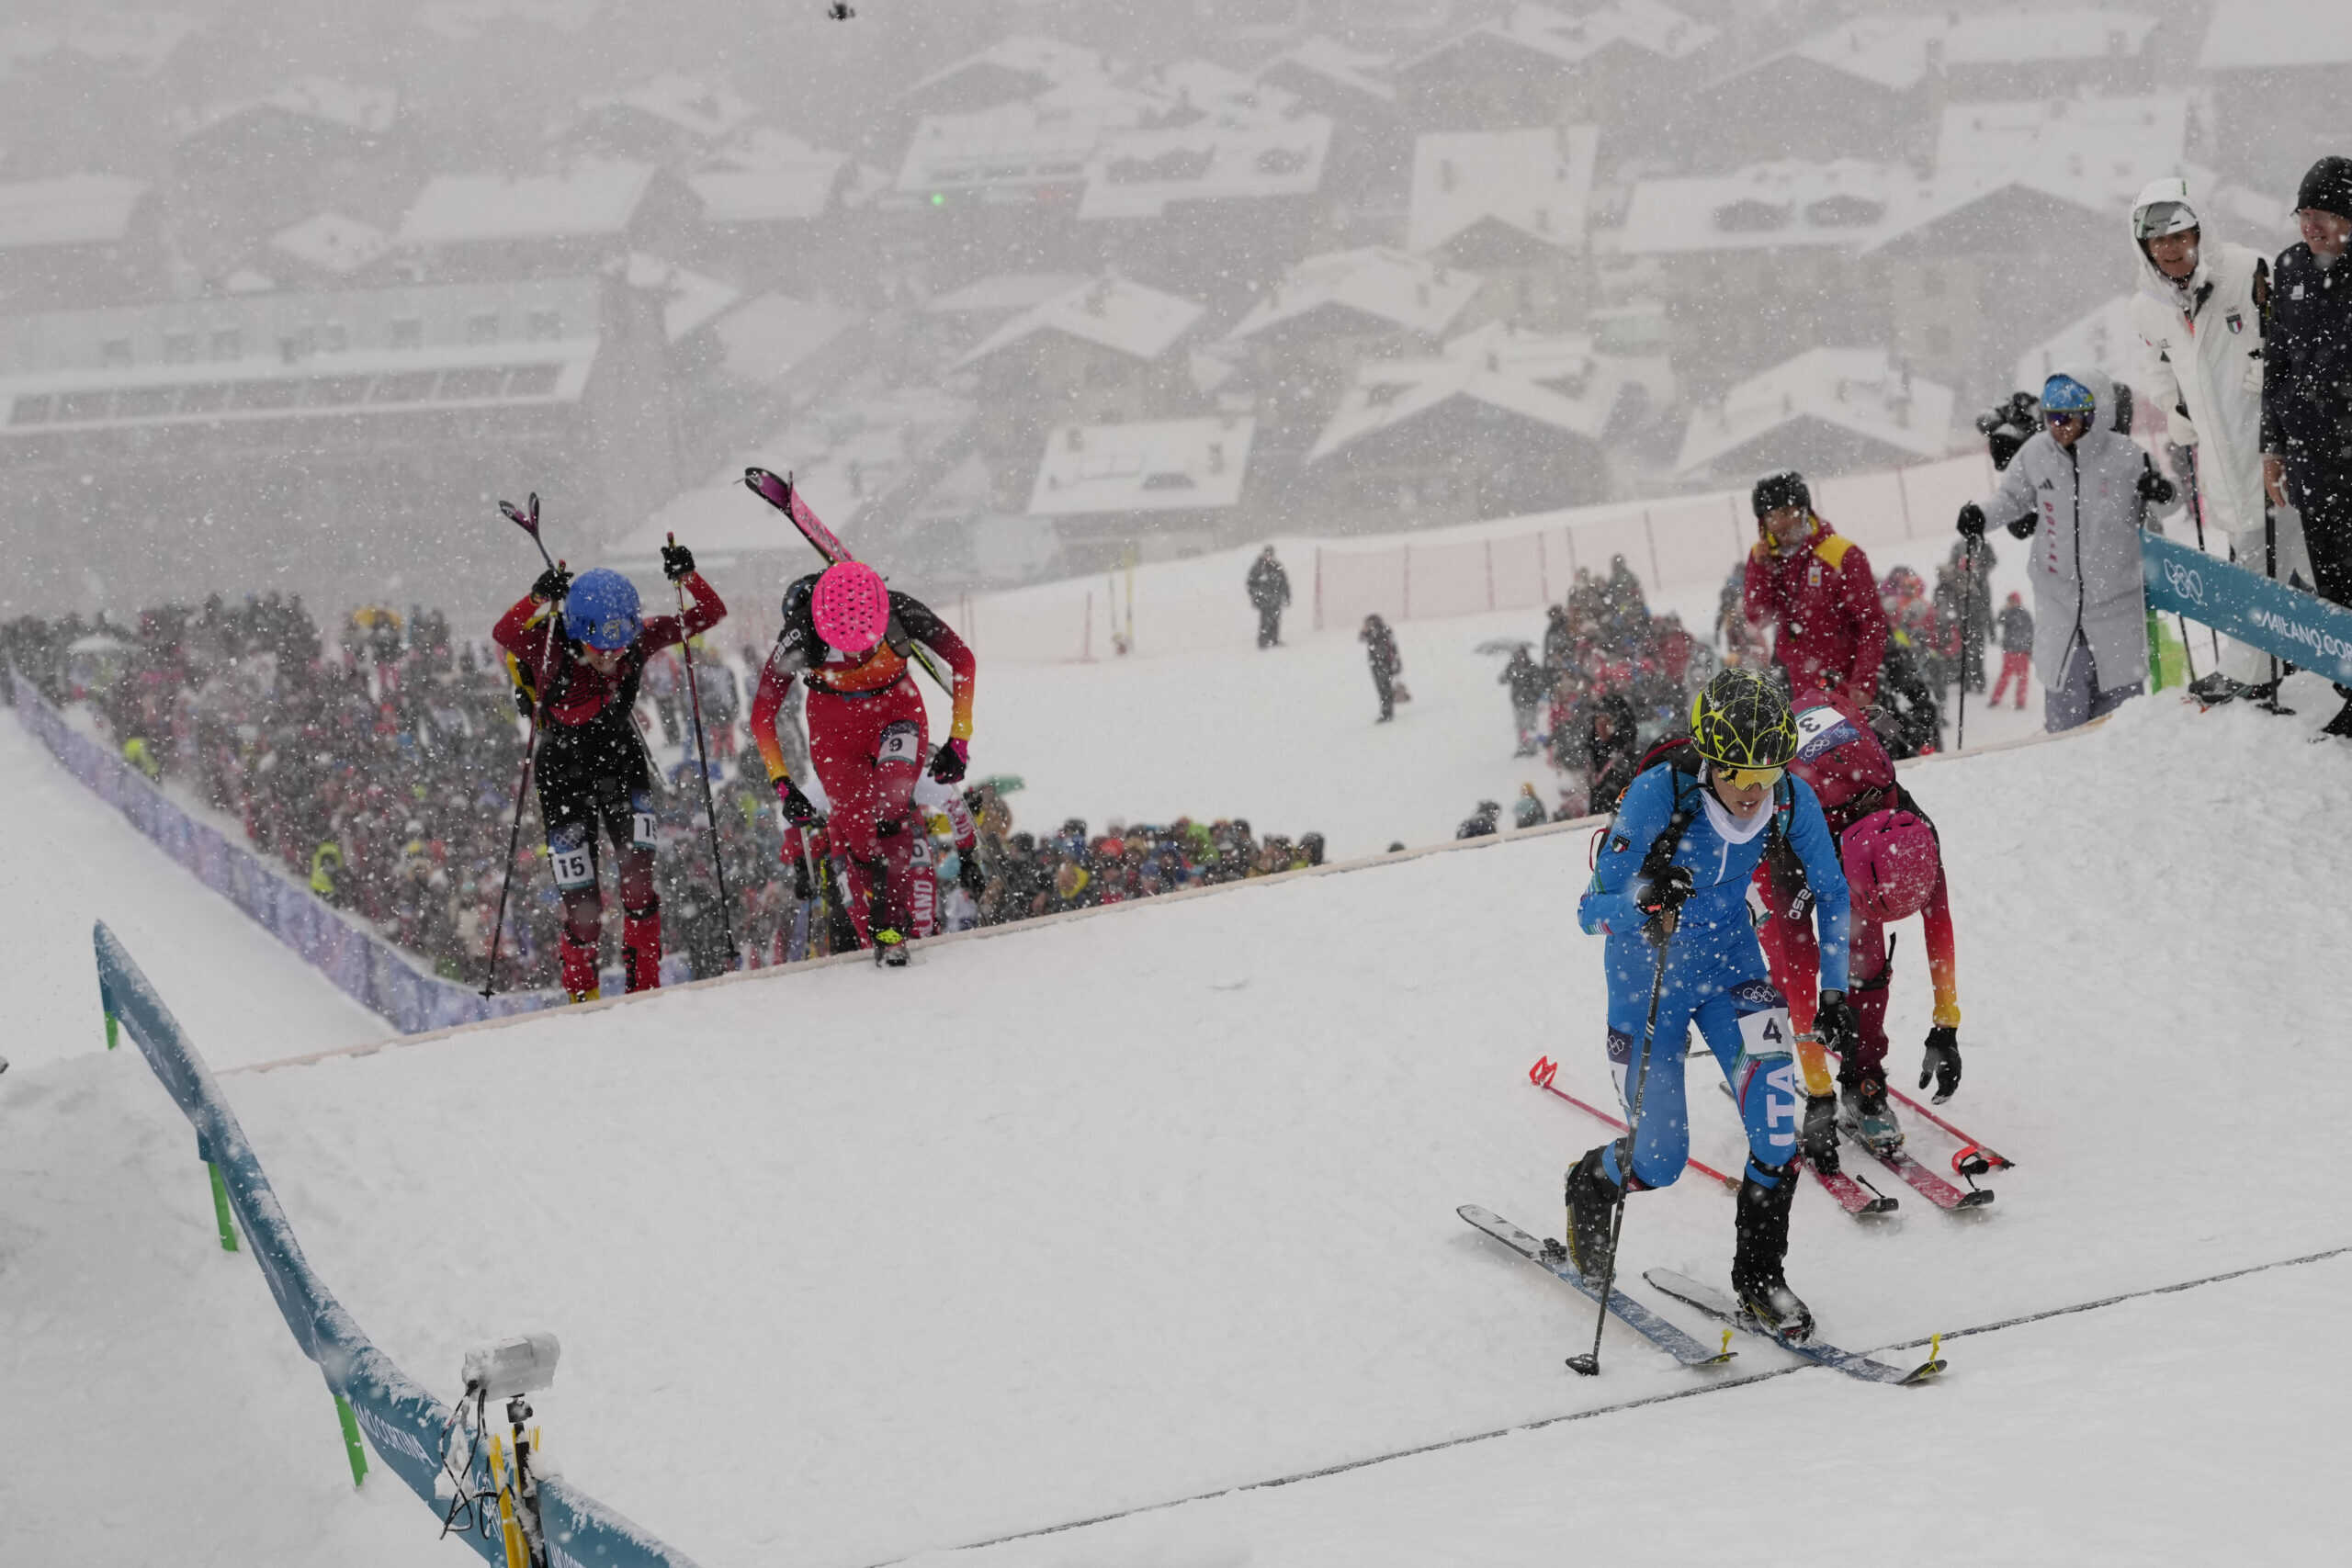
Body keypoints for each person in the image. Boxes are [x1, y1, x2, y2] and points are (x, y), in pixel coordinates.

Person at [1566, 668, 1853, 1338]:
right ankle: (1593, 1180)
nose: (1756, 793)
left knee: (1779, 1122)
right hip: (1650, 978)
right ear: (1710, 760)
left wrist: (1835, 987)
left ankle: (1759, 1278)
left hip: (1730, 965)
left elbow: (1833, 891)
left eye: (1768, 773)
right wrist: (1643, 898)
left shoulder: (1787, 797)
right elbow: (1589, 912)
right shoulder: (1655, 797)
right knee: (1661, 1160)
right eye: (1740, 776)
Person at [492, 544, 726, 1002]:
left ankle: (645, 991)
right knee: (584, 908)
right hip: (562, 773)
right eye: (602, 649)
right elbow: (505, 631)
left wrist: (688, 577)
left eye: (622, 646)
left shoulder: (636, 639)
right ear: (578, 633)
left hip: (620, 759)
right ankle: (585, 999)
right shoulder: (549, 646)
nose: (614, 658)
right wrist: (538, 596)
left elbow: (710, 613)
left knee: (639, 882)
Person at [1752, 691, 1962, 1164]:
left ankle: (1864, 1078)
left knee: (1866, 966)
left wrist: (1946, 1025)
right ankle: (1772, 1050)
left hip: (1851, 801)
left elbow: (1939, 927)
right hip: (1780, 830)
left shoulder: (1914, 838)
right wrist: (1818, 1093)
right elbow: (1805, 970)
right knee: (1788, 971)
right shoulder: (1797, 840)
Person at [747, 560, 977, 966]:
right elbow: (763, 713)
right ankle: (884, 923)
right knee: (860, 839)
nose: (855, 652)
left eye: (864, 642)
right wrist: (783, 785)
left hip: (897, 711)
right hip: (834, 731)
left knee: (892, 803)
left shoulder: (899, 609)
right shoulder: (802, 631)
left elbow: (963, 660)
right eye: (844, 644)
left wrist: (959, 740)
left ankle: (895, 926)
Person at [2129, 176, 2302, 707]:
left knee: (2290, 562)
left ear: (2201, 233)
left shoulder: (2247, 271)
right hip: (2221, 459)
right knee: (2261, 563)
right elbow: (2156, 364)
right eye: (2159, 242)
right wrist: (2176, 409)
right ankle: (2273, 666)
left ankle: (2258, 668)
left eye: (2180, 237)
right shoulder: (2148, 307)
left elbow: (2290, 339)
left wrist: (2266, 373)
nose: (2171, 250)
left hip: (2275, 448)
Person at [1960, 368, 2177, 732]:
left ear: (2095, 415)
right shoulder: (2035, 454)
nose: (2057, 426)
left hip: (2116, 607)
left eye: (2067, 418)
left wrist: (2162, 492)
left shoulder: (2127, 457)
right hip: (2060, 609)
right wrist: (1980, 517)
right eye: (2050, 417)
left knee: (2123, 722)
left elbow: (2165, 509)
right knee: (2065, 721)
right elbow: (2011, 500)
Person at [2261, 156, 2352, 738]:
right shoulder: (2291, 268)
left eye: (2321, 215)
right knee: (2335, 583)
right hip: (2312, 459)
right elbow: (2276, 365)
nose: (2309, 228)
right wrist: (2272, 448)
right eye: (2303, 214)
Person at [1741, 470, 1890, 711]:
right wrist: (1761, 569)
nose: (1781, 523)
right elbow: (1757, 617)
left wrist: (1862, 684)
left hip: (1843, 687)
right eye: (1771, 516)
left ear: (1804, 510)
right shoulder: (1764, 557)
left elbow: (1871, 623)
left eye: (1787, 512)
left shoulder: (1841, 553)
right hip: (1795, 688)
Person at [1501, 645, 1547, 755]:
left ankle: (1531, 748)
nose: (1519, 657)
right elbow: (1502, 679)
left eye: (1521, 655)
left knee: (1530, 725)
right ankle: (1522, 747)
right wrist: (1508, 675)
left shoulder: (1532, 667)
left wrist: (1535, 692)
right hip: (1517, 702)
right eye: (1517, 655)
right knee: (1520, 726)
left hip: (1530, 701)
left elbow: (1541, 682)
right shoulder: (1512, 667)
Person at [1991, 592, 2033, 709]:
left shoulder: (2024, 614)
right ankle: (1996, 699)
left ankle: (2020, 701)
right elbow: (1999, 621)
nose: (2010, 603)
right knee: (2007, 676)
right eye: (2009, 601)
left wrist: (2030, 649)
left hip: (2021, 651)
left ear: (2018, 601)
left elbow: (2031, 632)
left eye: (2012, 601)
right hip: (2010, 650)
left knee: (2021, 677)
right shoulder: (2009, 613)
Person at [1360, 613, 1402, 722]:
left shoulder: (1378, 633)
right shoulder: (1381, 631)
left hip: (1382, 665)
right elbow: (1361, 637)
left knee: (1384, 689)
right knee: (1384, 688)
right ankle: (1387, 710)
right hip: (1380, 664)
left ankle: (1387, 712)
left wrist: (1393, 662)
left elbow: (1387, 649)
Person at [1247, 546, 1291, 649]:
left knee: (1275, 619)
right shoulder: (1258, 568)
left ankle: (1274, 639)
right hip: (1264, 599)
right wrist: (1257, 594)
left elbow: (1284, 583)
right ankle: (1263, 641)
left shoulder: (1277, 567)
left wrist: (1287, 596)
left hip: (1275, 598)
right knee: (1265, 620)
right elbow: (1251, 584)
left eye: (1270, 554)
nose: (1268, 557)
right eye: (1267, 554)